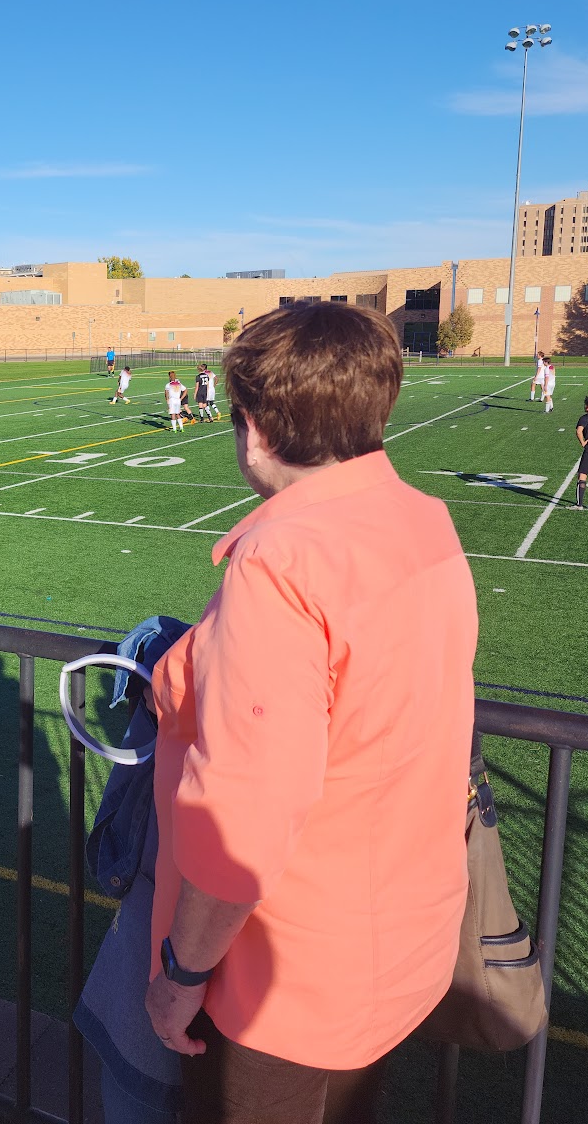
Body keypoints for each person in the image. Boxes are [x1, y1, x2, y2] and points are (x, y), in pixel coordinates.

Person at [142, 301, 477, 1124]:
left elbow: (247, 816)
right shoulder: (423, 519)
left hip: (292, 978)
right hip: (401, 935)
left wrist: (181, 975)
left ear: (254, 429)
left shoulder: (282, 561)